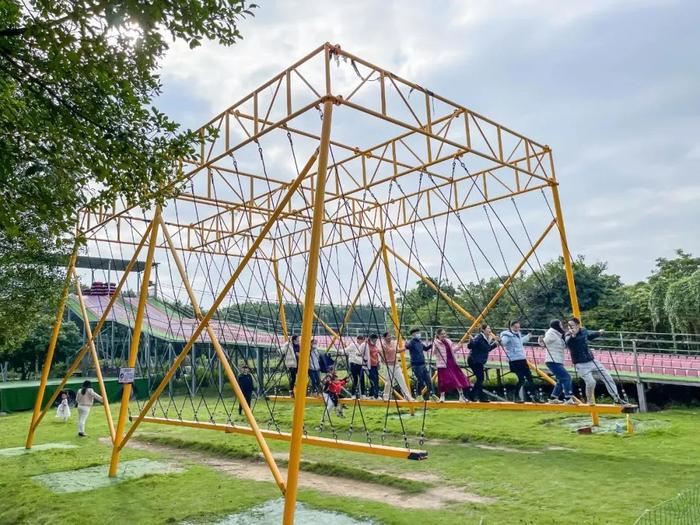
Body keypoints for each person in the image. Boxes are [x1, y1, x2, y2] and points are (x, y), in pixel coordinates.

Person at [565, 317, 622, 405]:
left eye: (572, 326)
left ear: (578, 325)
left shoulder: (583, 330)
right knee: (591, 382)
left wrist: (599, 333)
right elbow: (568, 342)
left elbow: (590, 336)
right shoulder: (568, 335)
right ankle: (590, 400)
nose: (570, 328)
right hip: (580, 364)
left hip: (592, 361)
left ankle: (616, 399)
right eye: (569, 326)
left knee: (608, 377)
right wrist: (573, 336)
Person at [500, 320, 538, 403]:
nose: (517, 329)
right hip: (514, 360)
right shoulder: (507, 335)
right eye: (515, 327)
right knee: (521, 379)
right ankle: (516, 396)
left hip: (522, 358)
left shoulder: (518, 334)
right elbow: (503, 342)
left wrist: (528, 337)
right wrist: (500, 341)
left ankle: (535, 396)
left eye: (518, 327)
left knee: (529, 377)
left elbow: (521, 342)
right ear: (511, 327)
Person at [539, 320, 575, 405]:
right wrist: (541, 340)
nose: (562, 326)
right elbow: (544, 343)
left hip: (557, 360)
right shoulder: (551, 333)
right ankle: (568, 398)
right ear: (556, 326)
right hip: (552, 360)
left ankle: (553, 398)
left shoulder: (558, 335)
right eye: (560, 325)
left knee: (560, 380)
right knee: (567, 377)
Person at [433, 328, 471, 402]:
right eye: (442, 334)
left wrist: (459, 347)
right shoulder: (436, 343)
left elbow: (452, 350)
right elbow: (434, 352)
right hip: (443, 363)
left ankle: (461, 396)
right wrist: (435, 348)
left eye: (444, 333)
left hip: (451, 362)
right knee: (443, 380)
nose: (444, 335)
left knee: (457, 378)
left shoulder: (448, 341)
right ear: (438, 335)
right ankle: (442, 396)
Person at [467, 324, 499, 402]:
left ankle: (479, 397)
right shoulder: (479, 337)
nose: (490, 329)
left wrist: (495, 343)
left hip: (478, 361)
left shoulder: (485, 338)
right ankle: (473, 395)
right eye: (488, 328)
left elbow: (487, 348)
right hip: (474, 360)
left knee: (480, 379)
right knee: (480, 378)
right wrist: (495, 343)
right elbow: (485, 348)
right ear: (483, 330)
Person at [380, 332, 413, 401]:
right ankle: (386, 396)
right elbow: (381, 354)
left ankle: (407, 396)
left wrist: (405, 348)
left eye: (390, 336)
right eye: (388, 336)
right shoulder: (383, 345)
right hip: (389, 365)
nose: (390, 337)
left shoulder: (393, 343)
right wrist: (383, 361)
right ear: (384, 338)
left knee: (402, 380)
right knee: (389, 382)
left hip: (396, 365)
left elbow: (397, 351)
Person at [405, 328, 437, 401]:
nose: (419, 334)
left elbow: (425, 348)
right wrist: (405, 344)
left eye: (419, 333)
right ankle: (419, 395)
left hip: (423, 364)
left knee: (428, 380)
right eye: (417, 333)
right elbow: (407, 346)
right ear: (413, 334)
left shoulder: (419, 342)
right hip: (416, 365)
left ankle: (432, 395)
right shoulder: (412, 342)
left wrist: (433, 344)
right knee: (420, 381)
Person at [367, 334, 381, 399]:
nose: (375, 340)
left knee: (376, 380)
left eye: (376, 339)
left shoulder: (375, 346)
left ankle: (373, 395)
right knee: (373, 380)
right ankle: (374, 395)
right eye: (374, 339)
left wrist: (378, 362)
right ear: (371, 339)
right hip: (370, 366)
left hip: (375, 365)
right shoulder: (367, 346)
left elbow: (376, 355)